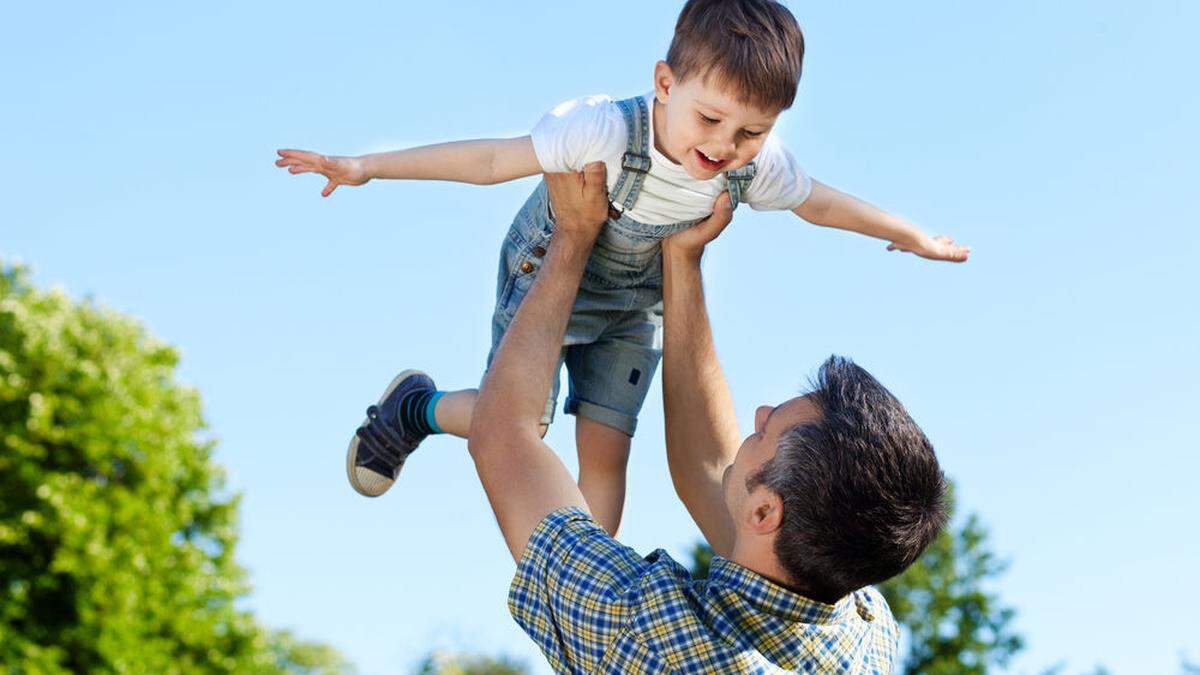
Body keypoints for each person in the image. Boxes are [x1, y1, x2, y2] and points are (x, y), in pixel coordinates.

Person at [276, 0, 968, 536]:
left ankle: (584, 607)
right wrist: (369, 167)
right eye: (711, 119)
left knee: (607, 451)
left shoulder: (757, 164)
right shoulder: (604, 128)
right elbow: (491, 161)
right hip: (552, 268)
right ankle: (415, 409)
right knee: (524, 421)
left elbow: (820, 204)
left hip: (636, 305)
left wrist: (910, 235)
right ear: (665, 83)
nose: (725, 146)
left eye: (751, 132)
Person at [429, 164, 947, 672]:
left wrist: (572, 238)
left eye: (767, 430)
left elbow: (503, 438)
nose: (760, 413)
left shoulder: (654, 640)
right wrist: (683, 259)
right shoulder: (860, 632)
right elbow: (711, 469)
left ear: (766, 513)